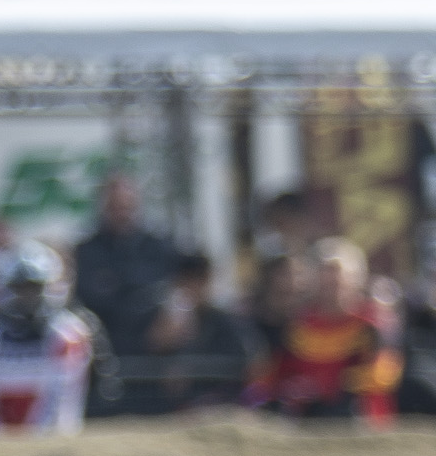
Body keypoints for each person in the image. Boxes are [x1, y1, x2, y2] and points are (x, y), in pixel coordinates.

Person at [252, 236, 401, 424]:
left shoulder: (371, 322)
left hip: (358, 413)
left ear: (356, 279)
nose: (331, 284)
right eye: (325, 277)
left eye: (337, 277)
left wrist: (332, 386)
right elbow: (277, 374)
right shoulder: (299, 325)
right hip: (307, 414)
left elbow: (384, 373)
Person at [0, 241, 94, 433]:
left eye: (34, 288)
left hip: (51, 438)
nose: (27, 297)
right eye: (20, 288)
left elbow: (63, 402)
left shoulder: (69, 334)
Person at [73, 174, 180, 363]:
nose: (122, 214)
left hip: (155, 352)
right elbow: (85, 300)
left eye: (127, 207)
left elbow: (176, 289)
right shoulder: (87, 252)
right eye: (115, 207)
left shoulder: (158, 248)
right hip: (104, 349)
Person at [128, 253, 256, 414]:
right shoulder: (156, 318)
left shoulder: (224, 322)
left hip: (214, 404)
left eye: (200, 280)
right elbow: (138, 359)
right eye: (188, 280)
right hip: (162, 409)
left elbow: (239, 362)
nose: (194, 287)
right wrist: (159, 342)